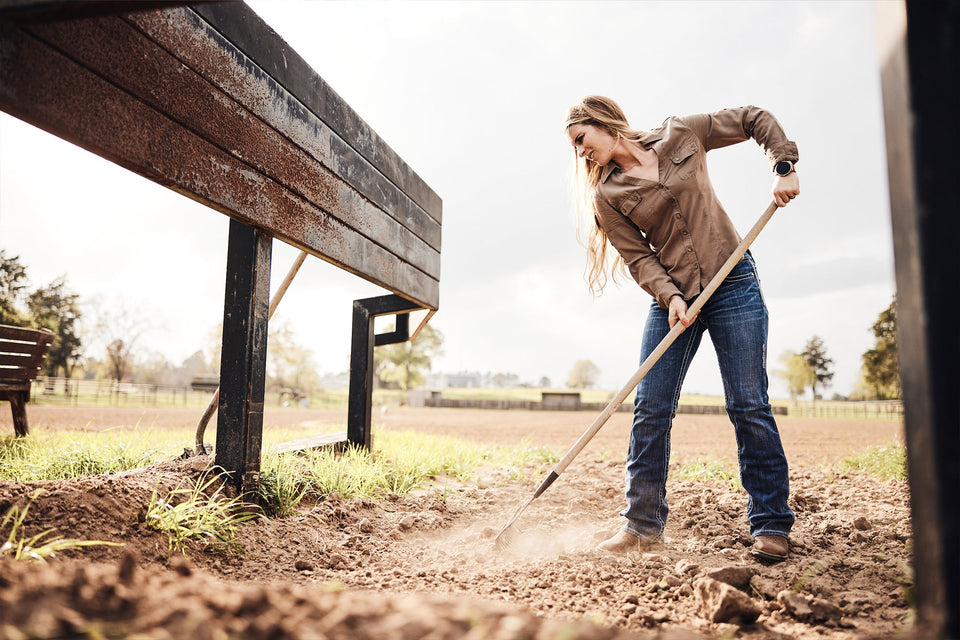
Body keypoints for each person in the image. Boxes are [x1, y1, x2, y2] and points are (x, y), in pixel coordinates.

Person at [564, 97, 798, 562]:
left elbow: (753, 119)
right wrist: (671, 297)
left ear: (601, 123)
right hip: (673, 298)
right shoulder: (607, 197)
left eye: (580, 140)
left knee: (748, 403)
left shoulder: (681, 133)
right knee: (650, 405)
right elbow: (639, 258)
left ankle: (771, 523)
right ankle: (641, 525)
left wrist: (783, 164)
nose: (580, 153)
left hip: (733, 283)